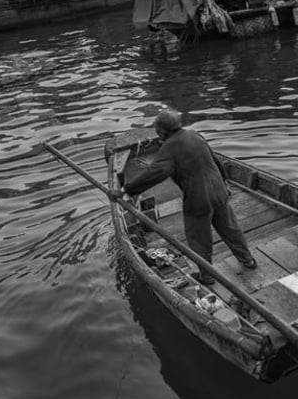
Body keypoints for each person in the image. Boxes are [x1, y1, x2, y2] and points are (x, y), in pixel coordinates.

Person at [109, 108, 257, 285]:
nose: (157, 133)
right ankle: (247, 259)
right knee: (230, 228)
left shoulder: (170, 148)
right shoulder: (195, 135)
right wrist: (224, 183)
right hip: (219, 191)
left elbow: (154, 173)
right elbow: (216, 160)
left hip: (198, 199)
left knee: (199, 238)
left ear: (162, 131)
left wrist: (125, 190)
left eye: (157, 130)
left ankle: (207, 276)